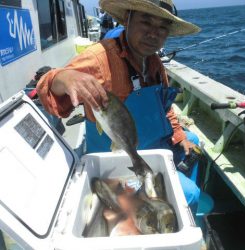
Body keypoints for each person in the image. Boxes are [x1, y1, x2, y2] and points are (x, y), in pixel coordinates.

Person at [37, 0, 201, 214]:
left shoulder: (154, 64)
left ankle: (168, 201)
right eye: (146, 21)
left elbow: (165, 107)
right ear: (127, 19)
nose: (154, 33)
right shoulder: (99, 57)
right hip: (116, 155)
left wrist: (180, 136)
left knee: (194, 142)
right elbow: (47, 87)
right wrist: (65, 76)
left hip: (149, 143)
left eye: (162, 27)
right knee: (191, 194)